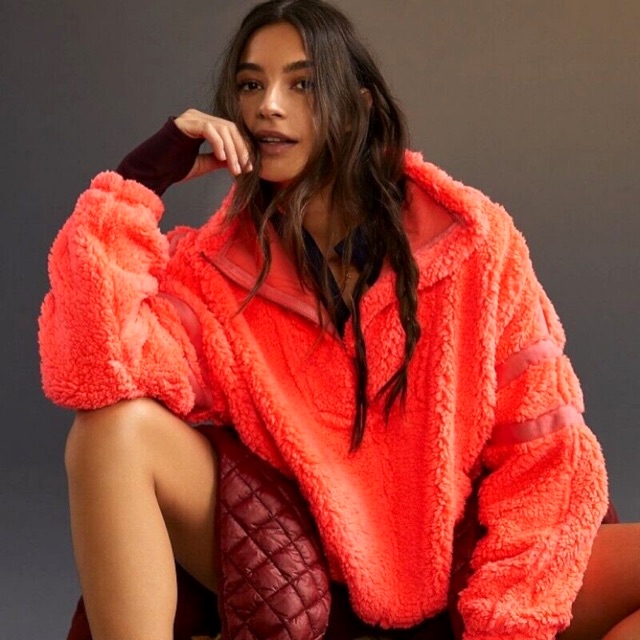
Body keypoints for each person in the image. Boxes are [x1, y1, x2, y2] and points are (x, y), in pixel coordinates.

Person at [38, 1, 640, 639]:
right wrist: (138, 181)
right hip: (297, 575)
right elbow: (94, 368)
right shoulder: (211, 272)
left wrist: (505, 622)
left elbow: (542, 452)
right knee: (111, 429)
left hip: (463, 566)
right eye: (251, 85)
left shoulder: (474, 245)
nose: (270, 106)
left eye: (302, 84)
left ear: (357, 107)